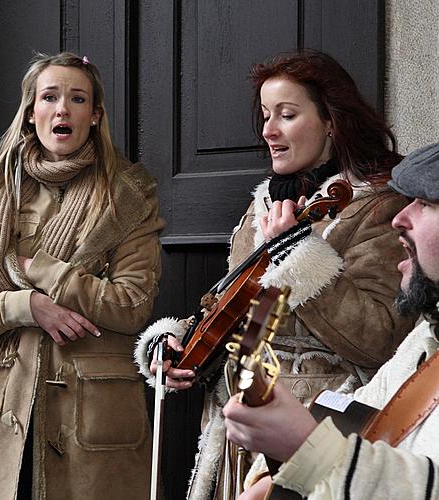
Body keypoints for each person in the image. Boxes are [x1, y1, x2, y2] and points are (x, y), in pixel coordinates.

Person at [134, 49, 417, 499]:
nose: (268, 131)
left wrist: (301, 254)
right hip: (241, 436)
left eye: (286, 114)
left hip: (318, 433)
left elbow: (380, 338)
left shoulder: (377, 208)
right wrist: (181, 346)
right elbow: (244, 312)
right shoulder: (263, 205)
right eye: (266, 115)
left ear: (332, 121)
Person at [0, 52, 163, 499]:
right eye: (50, 96)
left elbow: (132, 305)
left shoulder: (128, 196)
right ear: (31, 112)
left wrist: (42, 270)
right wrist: (29, 306)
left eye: (77, 98)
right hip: (8, 415)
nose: (62, 108)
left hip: (94, 421)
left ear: (94, 114)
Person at [224, 141, 439, 500]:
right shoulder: (426, 337)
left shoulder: (370, 209)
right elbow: (358, 411)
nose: (401, 218)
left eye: (427, 204)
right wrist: (271, 480)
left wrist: (308, 451)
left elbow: (372, 338)